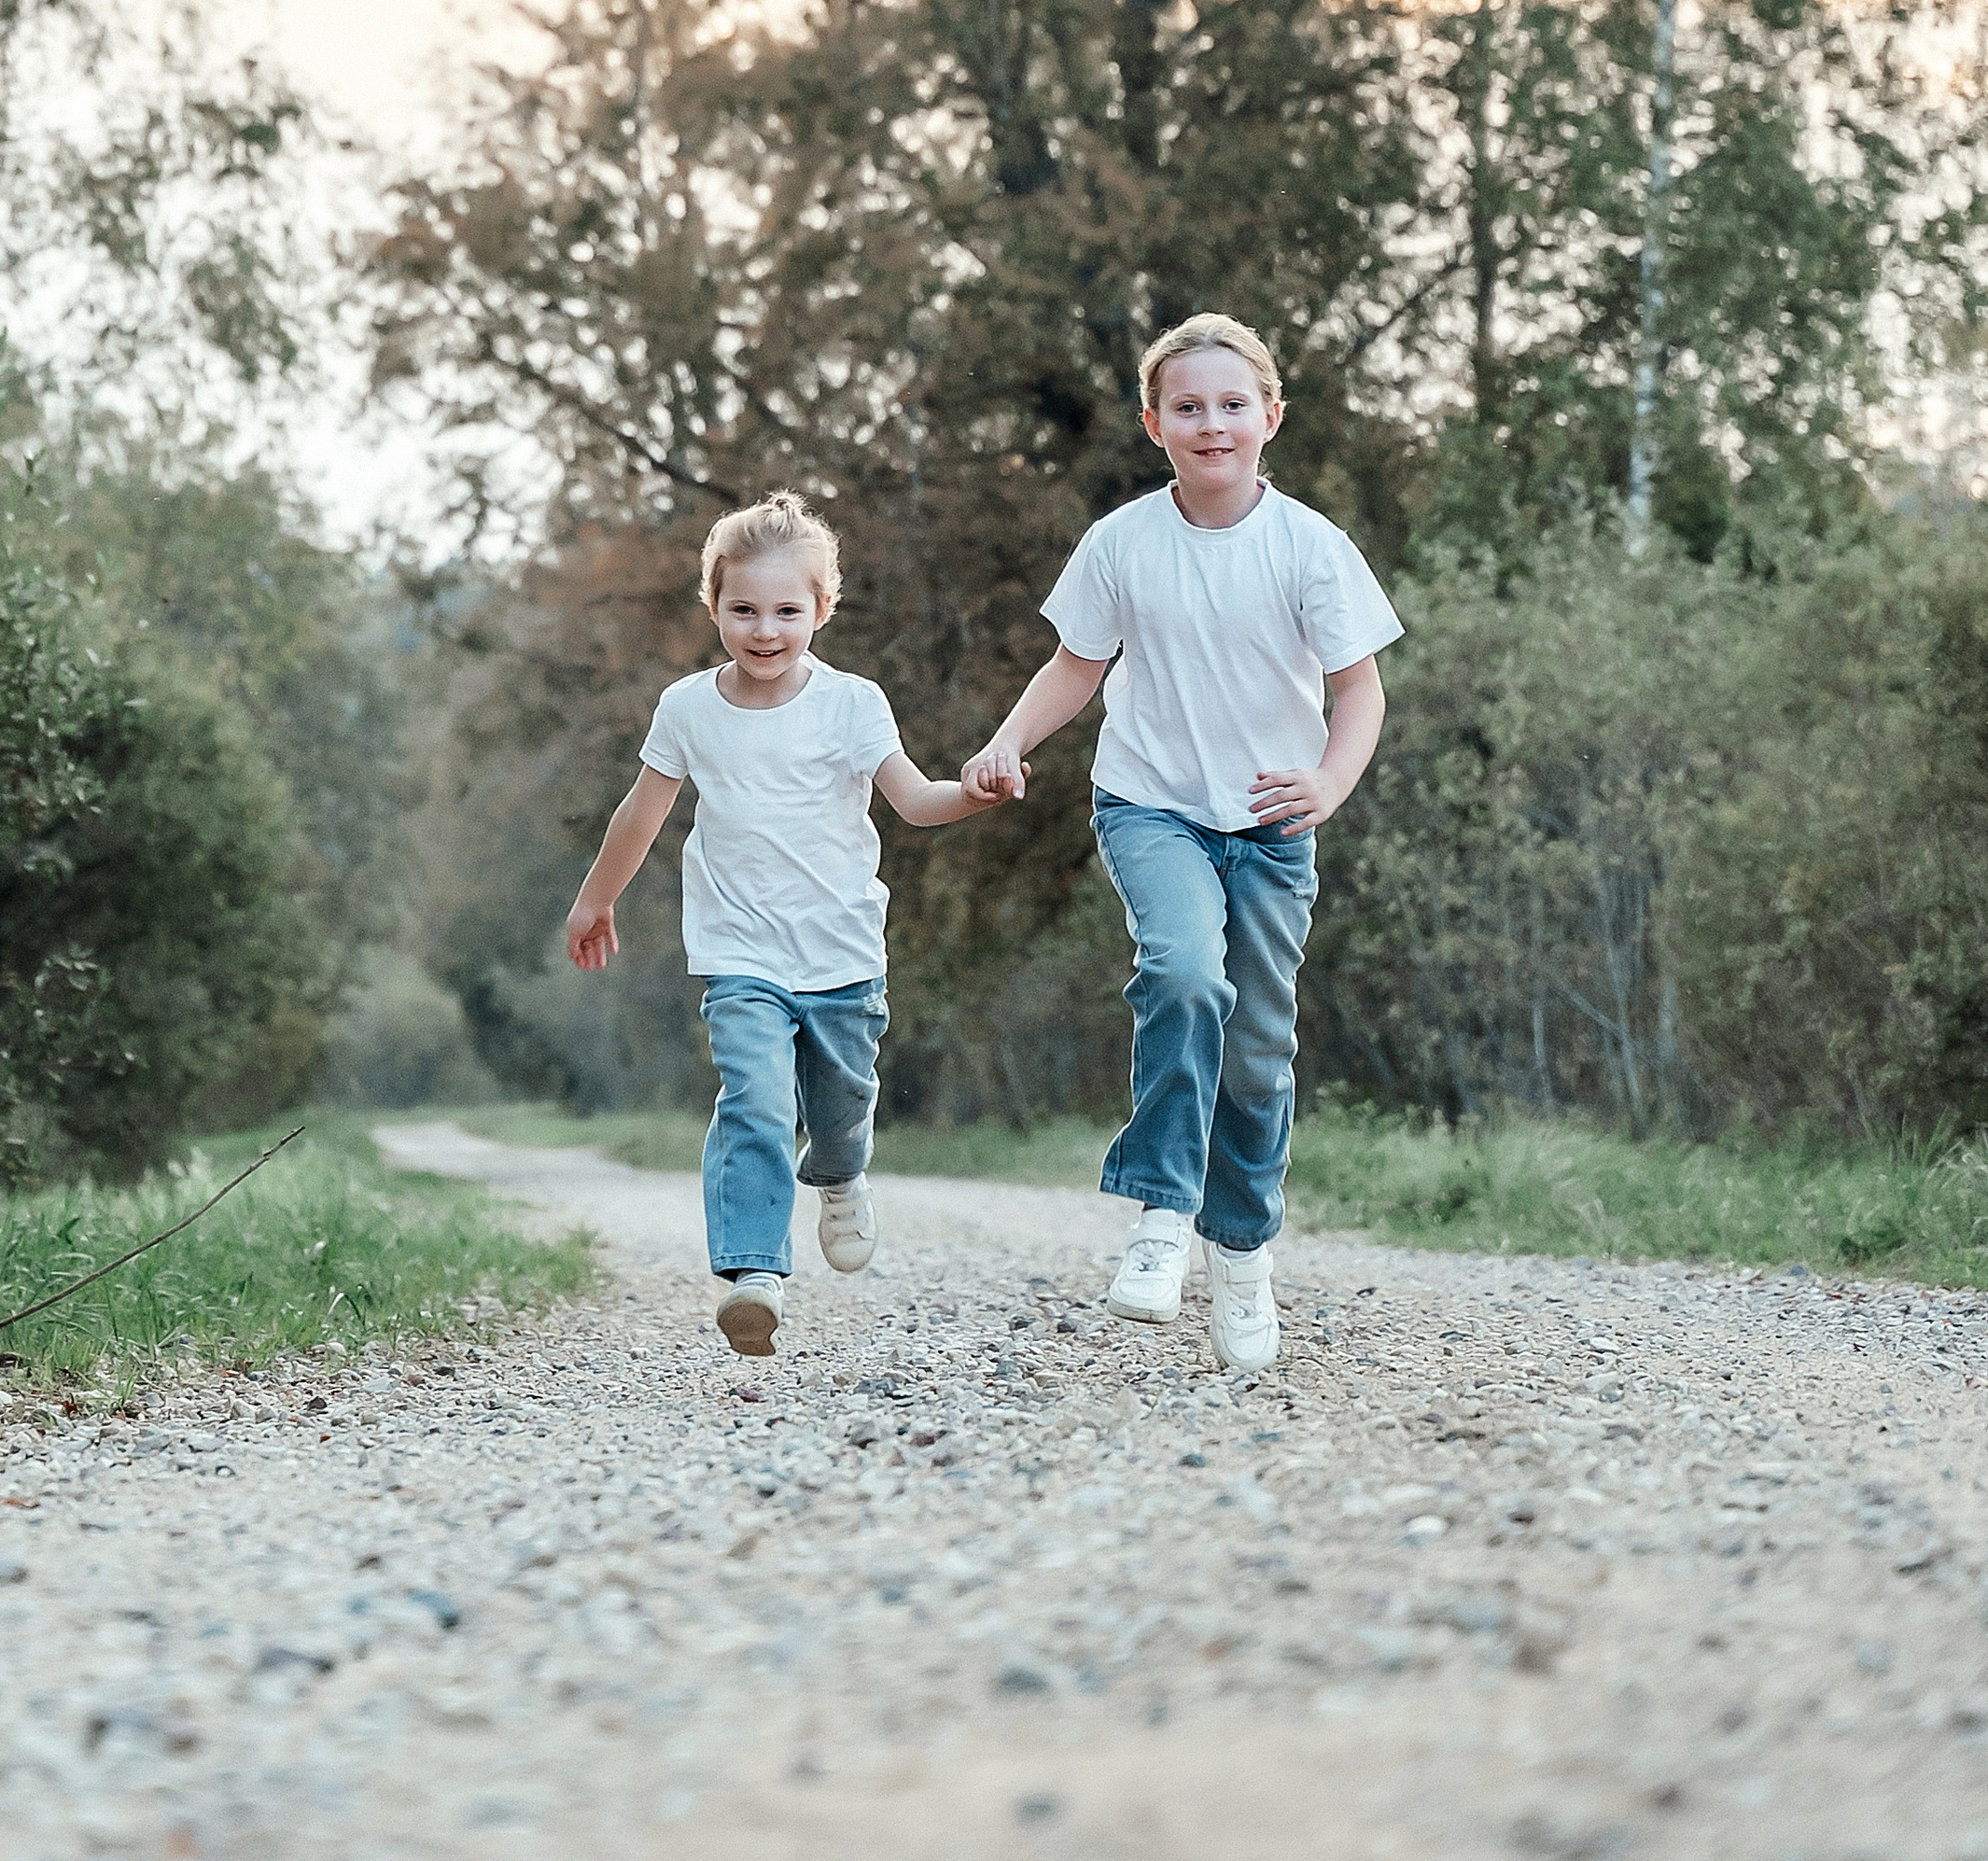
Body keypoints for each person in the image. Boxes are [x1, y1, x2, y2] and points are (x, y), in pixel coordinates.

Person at [961, 313, 1400, 1376]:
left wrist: (1330, 781)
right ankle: (1161, 1213)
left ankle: (1239, 1257)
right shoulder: (1122, 542)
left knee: (1255, 1049)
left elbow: (1359, 689)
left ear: (1270, 418)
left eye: (1233, 403)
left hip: (1270, 823)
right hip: (1149, 804)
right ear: (1154, 424)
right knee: (1184, 975)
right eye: (1189, 407)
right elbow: (1077, 662)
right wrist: (1008, 739)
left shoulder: (1309, 546)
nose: (1213, 423)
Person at [566, 488, 997, 1358]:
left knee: (839, 1109)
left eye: (788, 610)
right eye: (744, 609)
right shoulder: (688, 707)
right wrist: (595, 896)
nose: (766, 629)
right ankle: (754, 1273)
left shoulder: (852, 703)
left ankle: (838, 1175)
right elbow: (642, 814)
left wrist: (972, 792)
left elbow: (912, 800)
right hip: (739, 949)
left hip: (840, 950)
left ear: (823, 609)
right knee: (755, 1101)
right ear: (714, 605)